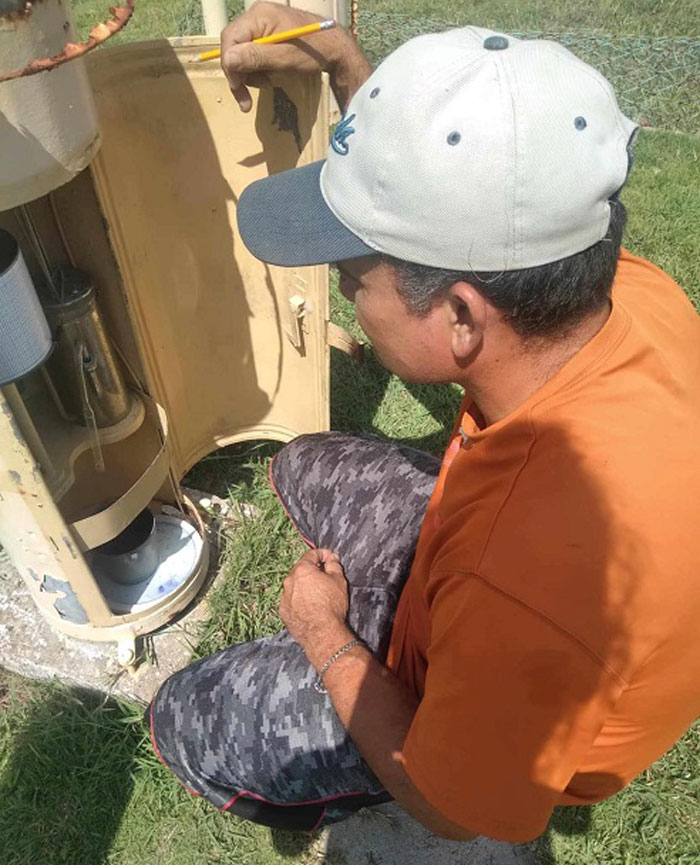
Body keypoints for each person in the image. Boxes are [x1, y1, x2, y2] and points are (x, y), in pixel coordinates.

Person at [148, 2, 700, 843]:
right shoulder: (617, 288)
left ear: (461, 318)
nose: (342, 293)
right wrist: (344, 65)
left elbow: (454, 808)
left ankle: (332, 774)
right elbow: (481, 204)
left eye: (352, 276)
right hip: (486, 571)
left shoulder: (524, 584)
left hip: (471, 711)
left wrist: (323, 632)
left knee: (185, 715)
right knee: (301, 459)